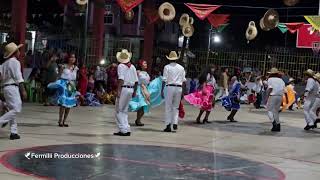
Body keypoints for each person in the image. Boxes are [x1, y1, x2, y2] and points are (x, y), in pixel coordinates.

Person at [0, 42, 27, 140]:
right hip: (12, 88)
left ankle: (14, 132)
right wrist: (23, 90)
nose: (20, 52)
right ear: (15, 52)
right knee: (16, 109)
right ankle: (1, 121)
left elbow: (0, 77)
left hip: (6, 88)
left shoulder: (3, 64)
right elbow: (18, 77)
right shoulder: (15, 62)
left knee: (12, 109)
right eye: (18, 50)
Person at [129, 60, 164, 126]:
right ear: (141, 64)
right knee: (142, 104)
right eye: (144, 63)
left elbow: (147, 82)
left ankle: (138, 120)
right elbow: (134, 81)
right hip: (139, 90)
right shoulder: (138, 72)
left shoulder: (146, 73)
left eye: (146, 63)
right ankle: (138, 120)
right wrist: (134, 90)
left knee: (144, 105)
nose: (146, 64)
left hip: (145, 90)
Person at [48, 53, 79, 127]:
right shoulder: (63, 66)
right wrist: (55, 83)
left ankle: (64, 121)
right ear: (68, 58)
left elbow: (75, 78)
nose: (72, 59)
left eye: (74, 57)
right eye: (71, 57)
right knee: (63, 104)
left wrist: (75, 88)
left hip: (71, 86)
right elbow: (59, 76)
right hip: (64, 85)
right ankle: (60, 120)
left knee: (69, 105)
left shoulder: (76, 68)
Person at [114, 49, 138, 136]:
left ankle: (123, 129)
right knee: (124, 110)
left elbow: (121, 79)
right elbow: (136, 81)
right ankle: (127, 128)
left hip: (124, 89)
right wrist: (134, 91)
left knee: (118, 110)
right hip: (130, 89)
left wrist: (118, 90)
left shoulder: (121, 66)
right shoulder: (133, 66)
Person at [161, 51, 186, 132]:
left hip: (169, 87)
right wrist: (183, 92)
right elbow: (184, 81)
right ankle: (175, 123)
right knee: (176, 107)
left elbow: (164, 80)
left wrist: (162, 90)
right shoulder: (181, 68)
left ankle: (168, 125)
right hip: (179, 88)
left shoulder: (167, 67)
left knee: (168, 107)